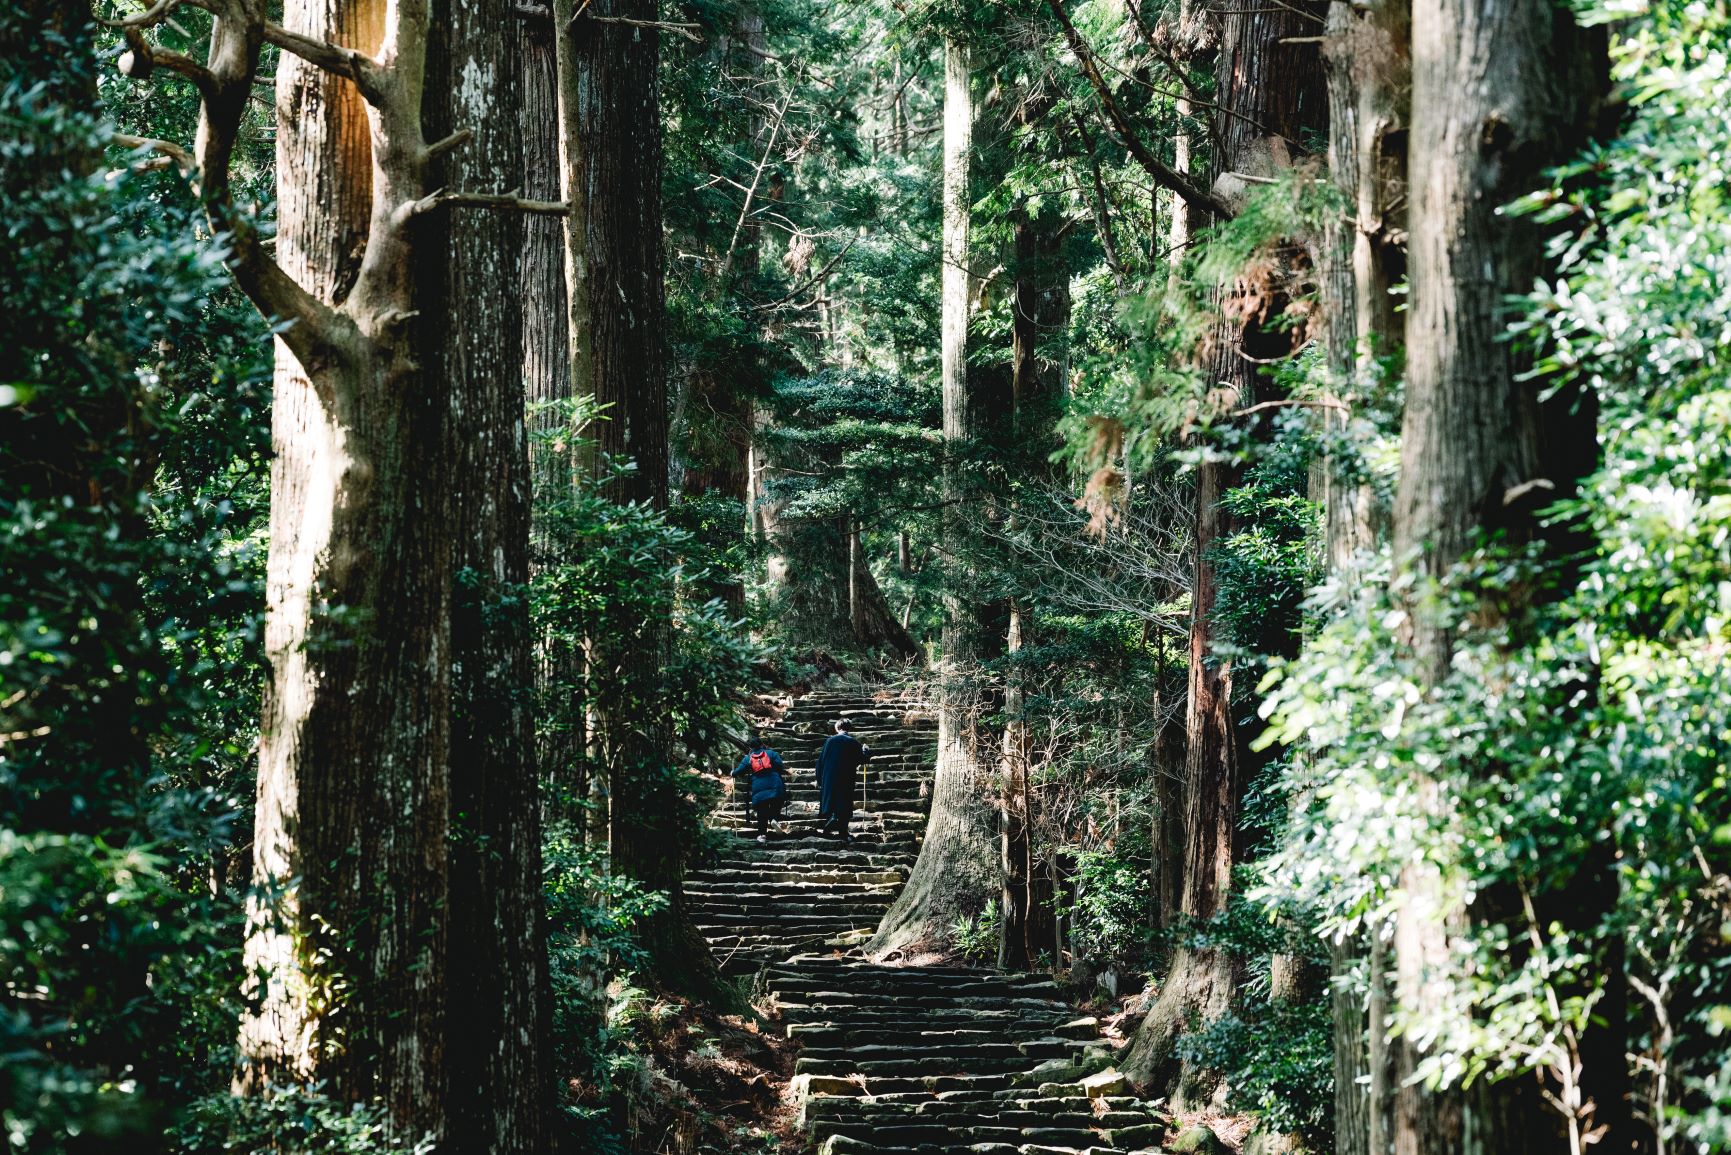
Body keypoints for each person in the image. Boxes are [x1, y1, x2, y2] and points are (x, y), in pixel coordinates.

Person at [814, 719, 870, 844]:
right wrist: (866, 750)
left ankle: (831, 819)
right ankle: (843, 831)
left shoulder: (829, 741)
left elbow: (820, 762)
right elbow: (862, 759)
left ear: (837, 728)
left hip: (829, 776)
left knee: (830, 799)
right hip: (846, 776)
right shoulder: (853, 742)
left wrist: (819, 779)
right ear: (848, 728)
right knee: (844, 800)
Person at [730, 736, 787, 844]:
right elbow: (780, 766)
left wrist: (732, 773)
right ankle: (774, 819)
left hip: (758, 787)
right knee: (776, 802)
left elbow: (739, 771)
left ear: (750, 747)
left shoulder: (748, 758)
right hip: (775, 783)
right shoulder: (771, 753)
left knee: (762, 811)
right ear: (762, 744)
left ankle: (762, 835)